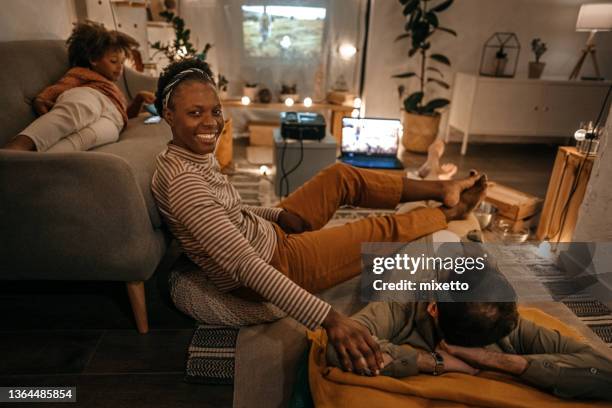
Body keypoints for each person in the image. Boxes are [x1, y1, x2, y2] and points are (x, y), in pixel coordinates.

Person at [150, 58, 487, 377]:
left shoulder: (191, 155)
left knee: (341, 176)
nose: (210, 123)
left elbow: (232, 211)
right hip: (276, 262)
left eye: (215, 111)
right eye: (195, 113)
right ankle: (450, 211)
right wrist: (330, 319)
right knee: (376, 231)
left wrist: (277, 215)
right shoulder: (184, 185)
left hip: (271, 233)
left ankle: (441, 188)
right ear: (169, 114)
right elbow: (246, 266)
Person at [326, 269, 612, 401]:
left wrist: (500, 362)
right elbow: (335, 347)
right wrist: (432, 362)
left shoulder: (510, 326)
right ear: (432, 307)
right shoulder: (401, 303)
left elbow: (604, 372)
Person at [3, 22, 155, 152]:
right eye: (114, 61)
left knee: (85, 139)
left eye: (122, 63)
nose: (120, 68)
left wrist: (139, 99)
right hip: (92, 95)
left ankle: (36, 162)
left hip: (114, 120)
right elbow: (63, 85)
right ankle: (16, 147)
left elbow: (126, 115)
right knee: (74, 113)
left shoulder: (115, 90)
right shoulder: (82, 73)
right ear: (93, 59)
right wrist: (43, 99)